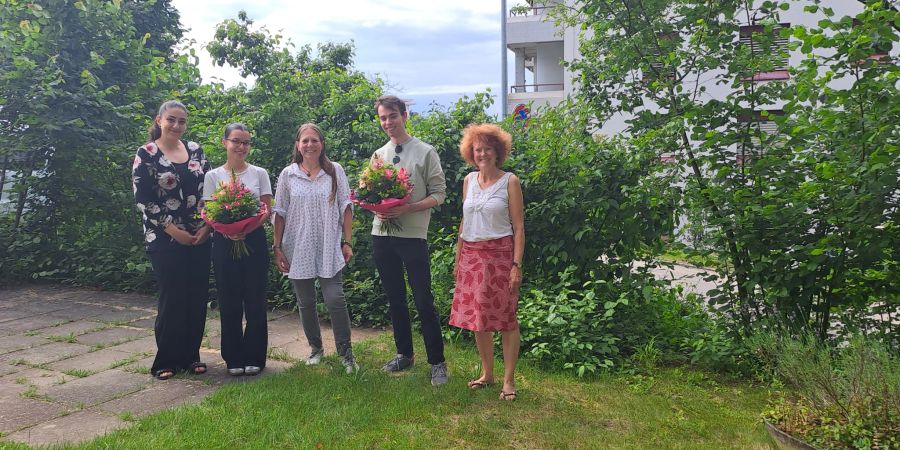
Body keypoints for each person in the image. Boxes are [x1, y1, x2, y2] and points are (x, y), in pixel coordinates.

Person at [370, 95, 449, 385]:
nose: (388, 122)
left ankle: (437, 361)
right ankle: (404, 353)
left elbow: (439, 193)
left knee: (423, 299)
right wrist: (378, 206)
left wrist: (409, 208)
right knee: (395, 298)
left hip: (413, 236)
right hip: (382, 234)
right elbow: (371, 193)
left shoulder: (426, 152)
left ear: (404, 115)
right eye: (382, 118)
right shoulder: (378, 155)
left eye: (392, 116)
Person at [132, 100, 211, 380]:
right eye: (171, 120)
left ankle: (191, 357)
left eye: (182, 121)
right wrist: (171, 229)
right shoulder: (147, 154)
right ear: (159, 121)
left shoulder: (196, 151)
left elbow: (209, 192)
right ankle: (165, 360)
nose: (176, 125)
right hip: (164, 238)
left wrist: (206, 227)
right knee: (172, 298)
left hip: (199, 236)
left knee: (196, 298)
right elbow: (144, 200)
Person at [272, 123, 358, 374]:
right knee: (305, 302)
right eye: (305, 141)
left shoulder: (334, 172)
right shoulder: (288, 174)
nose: (310, 145)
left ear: (322, 143)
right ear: (298, 145)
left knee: (335, 300)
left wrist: (347, 240)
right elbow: (279, 212)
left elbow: (346, 206)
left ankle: (346, 354)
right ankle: (315, 349)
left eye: (315, 140)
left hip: (329, 244)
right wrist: (277, 247)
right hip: (297, 246)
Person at [449, 124, 525, 401]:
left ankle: (508, 380)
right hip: (471, 254)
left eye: (487, 148)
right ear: (472, 152)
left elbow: (518, 227)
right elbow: (464, 220)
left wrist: (516, 265)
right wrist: (458, 256)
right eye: (477, 149)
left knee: (506, 318)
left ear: (497, 151)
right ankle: (488, 374)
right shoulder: (468, 181)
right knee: (477, 319)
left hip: (500, 256)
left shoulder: (510, 182)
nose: (482, 153)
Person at [203, 123, 272, 377]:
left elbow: (266, 208)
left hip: (253, 240)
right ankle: (233, 356)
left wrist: (249, 226)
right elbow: (209, 211)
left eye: (245, 143)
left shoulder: (259, 173)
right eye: (236, 141)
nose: (241, 147)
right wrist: (228, 231)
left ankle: (255, 355)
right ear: (225, 143)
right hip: (223, 241)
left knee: (255, 299)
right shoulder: (212, 176)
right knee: (229, 300)